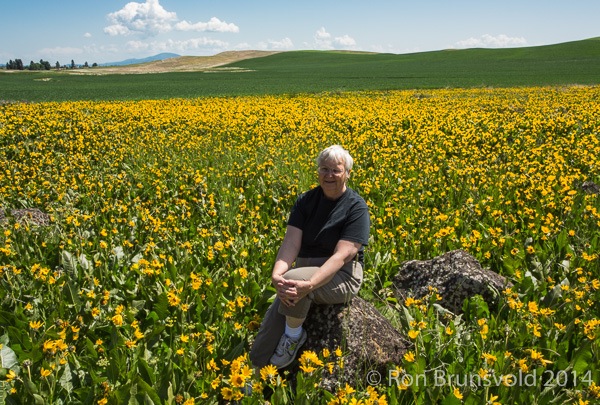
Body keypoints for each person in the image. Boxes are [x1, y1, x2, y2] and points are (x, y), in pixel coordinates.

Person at [249, 145, 371, 370]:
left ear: (347, 173)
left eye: (336, 170)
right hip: (303, 272)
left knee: (293, 285)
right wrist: (277, 275)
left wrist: (310, 284)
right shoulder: (305, 201)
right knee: (276, 310)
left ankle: (293, 337)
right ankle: (255, 369)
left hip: (341, 276)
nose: (329, 175)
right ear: (317, 172)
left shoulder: (356, 208)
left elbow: (342, 256)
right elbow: (291, 243)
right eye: (324, 169)